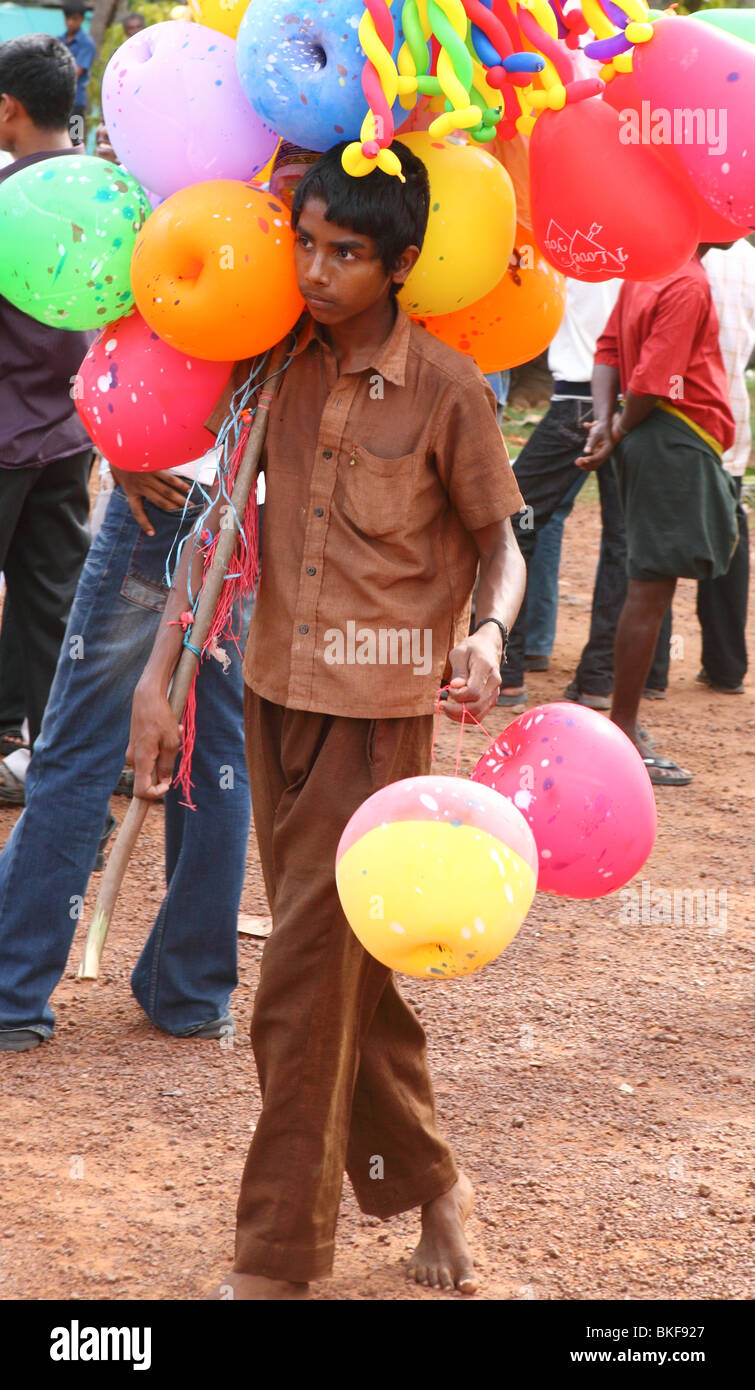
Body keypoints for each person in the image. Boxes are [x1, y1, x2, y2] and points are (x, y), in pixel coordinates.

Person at [128, 140, 526, 1298]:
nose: (313, 271)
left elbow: (502, 542)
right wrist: (160, 678)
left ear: (400, 264)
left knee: (299, 991)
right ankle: (434, 1181)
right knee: (350, 976)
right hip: (269, 705)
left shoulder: (447, 387)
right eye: (304, 244)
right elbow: (210, 542)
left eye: (344, 254)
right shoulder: (270, 367)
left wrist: (489, 634)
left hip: (379, 724)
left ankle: (275, 1264)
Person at [0, 450, 252, 1052]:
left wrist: (121, 453)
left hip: (166, 494)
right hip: (250, 504)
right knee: (215, 747)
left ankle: (10, 990)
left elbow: (103, 368)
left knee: (79, 747)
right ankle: (190, 992)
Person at [577, 245, 738, 786]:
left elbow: (606, 353)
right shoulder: (688, 282)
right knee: (650, 586)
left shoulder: (646, 268)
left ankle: (626, 726)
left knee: (646, 579)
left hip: (646, 436)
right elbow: (651, 380)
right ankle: (624, 730)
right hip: (672, 435)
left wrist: (606, 426)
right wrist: (614, 431)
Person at [0, 36, 94, 787]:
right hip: (72, 436)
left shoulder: (8, 201)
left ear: (8, 110)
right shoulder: (114, 192)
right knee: (52, 616)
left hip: (2, 437)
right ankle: (70, 793)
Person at [696, 240, 754, 694]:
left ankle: (653, 671)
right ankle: (726, 666)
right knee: (730, 537)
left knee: (649, 556)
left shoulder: (676, 255)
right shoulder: (748, 259)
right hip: (730, 419)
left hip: (678, 426)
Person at [59, 2, 95, 146]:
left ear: (81, 19)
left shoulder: (86, 43)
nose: (70, 22)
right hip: (56, 102)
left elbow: (76, 72)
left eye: (74, 19)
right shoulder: (58, 41)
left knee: (75, 140)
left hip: (75, 102)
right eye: (68, 18)